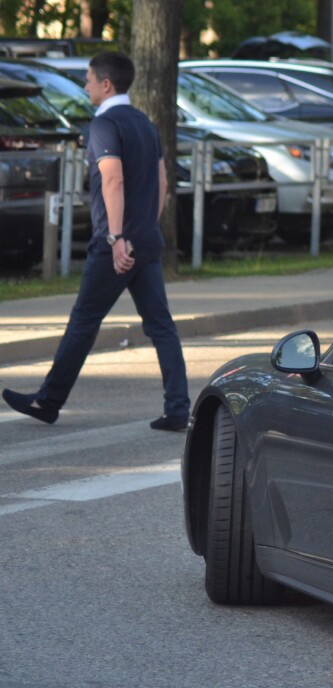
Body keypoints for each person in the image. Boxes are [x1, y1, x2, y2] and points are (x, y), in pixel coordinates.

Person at [2, 51, 189, 431]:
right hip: (146, 240)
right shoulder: (145, 124)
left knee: (84, 320)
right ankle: (178, 409)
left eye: (88, 79)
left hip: (114, 244)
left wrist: (118, 237)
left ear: (106, 84)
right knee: (161, 326)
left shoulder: (104, 124)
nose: (85, 86)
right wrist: (143, 230)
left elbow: (112, 180)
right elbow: (163, 182)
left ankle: (47, 401)